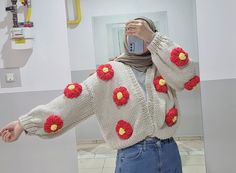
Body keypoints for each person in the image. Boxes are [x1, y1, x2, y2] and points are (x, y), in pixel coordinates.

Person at [0, 17, 200, 173]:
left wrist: (154, 40)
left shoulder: (164, 69)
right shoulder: (110, 72)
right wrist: (24, 123)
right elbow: (71, 103)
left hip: (170, 150)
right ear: (125, 39)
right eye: (134, 36)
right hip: (135, 157)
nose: (140, 41)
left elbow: (187, 75)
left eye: (145, 35)